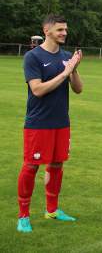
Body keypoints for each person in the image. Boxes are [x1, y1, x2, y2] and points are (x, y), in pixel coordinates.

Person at [17, 14, 83, 233]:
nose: (64, 33)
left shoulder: (66, 56)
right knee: (31, 166)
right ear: (47, 31)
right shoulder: (33, 57)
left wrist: (73, 68)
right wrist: (65, 72)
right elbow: (37, 90)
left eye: (65, 29)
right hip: (38, 123)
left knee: (56, 165)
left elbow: (78, 89)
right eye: (60, 30)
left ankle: (52, 209)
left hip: (61, 122)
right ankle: (23, 215)